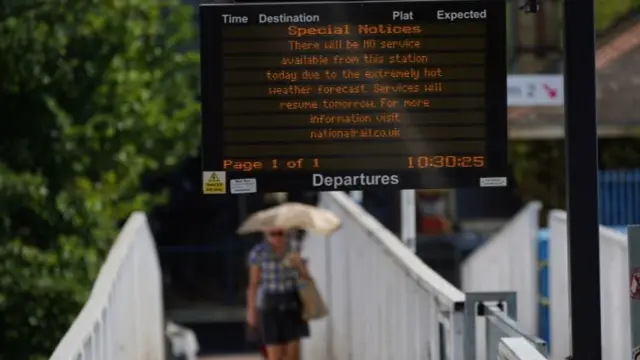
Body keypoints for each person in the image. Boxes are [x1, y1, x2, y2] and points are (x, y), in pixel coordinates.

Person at [247, 227, 310, 360]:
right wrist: (251, 311)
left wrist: (299, 265)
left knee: (293, 355)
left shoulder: (293, 249)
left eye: (280, 234)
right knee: (275, 355)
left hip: (291, 302)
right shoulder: (258, 252)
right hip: (270, 304)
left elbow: (305, 279)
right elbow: (253, 283)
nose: (276, 238)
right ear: (266, 234)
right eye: (272, 234)